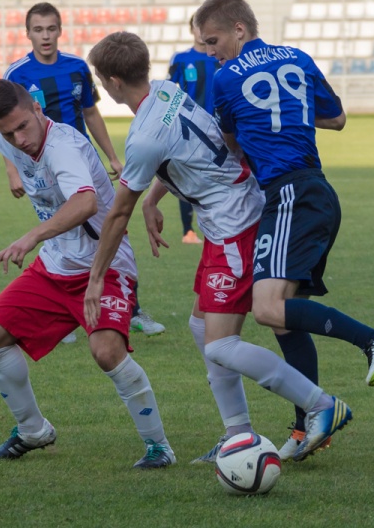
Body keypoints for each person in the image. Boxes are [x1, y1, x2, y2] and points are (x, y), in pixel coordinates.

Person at [83, 31, 352, 463]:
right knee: (200, 327)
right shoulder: (168, 91)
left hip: (234, 228)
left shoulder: (143, 136)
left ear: (113, 82)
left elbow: (117, 214)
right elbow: (193, 150)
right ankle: (237, 433)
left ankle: (320, 404)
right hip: (227, 218)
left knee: (220, 345)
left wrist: (96, 278)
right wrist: (154, 199)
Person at [0, 79, 175, 469]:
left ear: (38, 110)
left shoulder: (63, 148)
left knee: (106, 351)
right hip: (56, 266)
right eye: (9, 133)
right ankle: (33, 430)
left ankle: (159, 447)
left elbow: (85, 202)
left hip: (105, 265)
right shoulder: (9, 134)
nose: (19, 140)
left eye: (23, 127)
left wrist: (31, 236)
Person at [193, 0, 374, 458]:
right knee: (286, 321)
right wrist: (291, 116)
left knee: (267, 309)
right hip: (315, 191)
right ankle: (306, 427)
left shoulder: (226, 77)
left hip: (289, 195)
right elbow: (338, 118)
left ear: (239, 29)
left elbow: (230, 143)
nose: (210, 52)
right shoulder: (298, 57)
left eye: (212, 41)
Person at [3, 2, 165, 339]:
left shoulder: (77, 67)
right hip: (45, 171)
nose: (45, 36)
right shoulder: (16, 73)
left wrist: (112, 157)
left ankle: (131, 309)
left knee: (114, 231)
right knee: (62, 237)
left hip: (83, 165)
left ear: (60, 30)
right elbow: (4, 125)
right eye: (38, 29)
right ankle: (65, 311)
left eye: (51, 29)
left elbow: (91, 114)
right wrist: (12, 170)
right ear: (28, 33)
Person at [166, 14, 221, 245]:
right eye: (197, 27)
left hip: (219, 129)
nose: (201, 32)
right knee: (187, 178)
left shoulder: (219, 57)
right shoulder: (181, 59)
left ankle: (219, 226)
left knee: (219, 177)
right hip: (189, 129)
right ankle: (188, 230)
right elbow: (169, 90)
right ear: (192, 30)